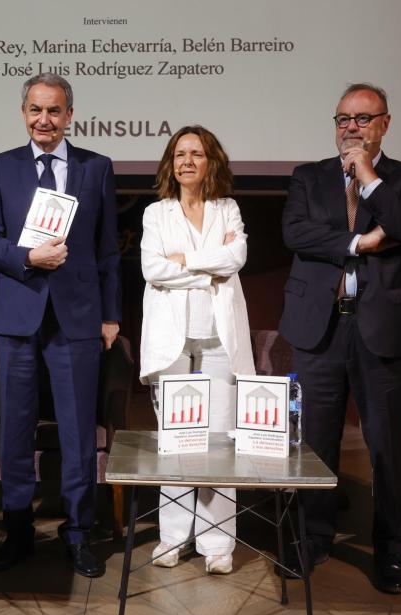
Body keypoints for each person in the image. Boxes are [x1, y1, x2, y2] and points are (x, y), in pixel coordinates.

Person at [278, 83, 401, 593]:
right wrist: (359, 241)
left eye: (363, 119)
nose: (351, 127)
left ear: (385, 124)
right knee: (314, 443)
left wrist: (368, 178)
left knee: (387, 446)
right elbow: (296, 233)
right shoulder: (309, 176)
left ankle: (391, 551)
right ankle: (313, 536)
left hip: (384, 330)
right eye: (344, 118)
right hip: (319, 328)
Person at [0, 73, 121, 578]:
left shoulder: (95, 167)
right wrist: (27, 256)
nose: (45, 120)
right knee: (15, 429)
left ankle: (79, 533)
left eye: (54, 111)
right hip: (18, 314)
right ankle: (17, 531)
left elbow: (108, 249)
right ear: (23, 114)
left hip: (77, 317)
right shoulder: (1, 168)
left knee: (80, 430)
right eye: (36, 110)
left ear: (70, 115)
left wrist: (111, 313)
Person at [139, 125, 256, 575]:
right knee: (177, 444)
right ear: (171, 163)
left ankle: (217, 543)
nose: (188, 160)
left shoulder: (228, 209)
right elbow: (153, 268)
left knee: (219, 445)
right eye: (180, 153)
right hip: (173, 342)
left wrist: (185, 261)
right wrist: (209, 266)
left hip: (219, 340)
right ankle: (172, 537)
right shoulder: (156, 213)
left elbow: (238, 258)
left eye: (197, 153)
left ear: (212, 162)